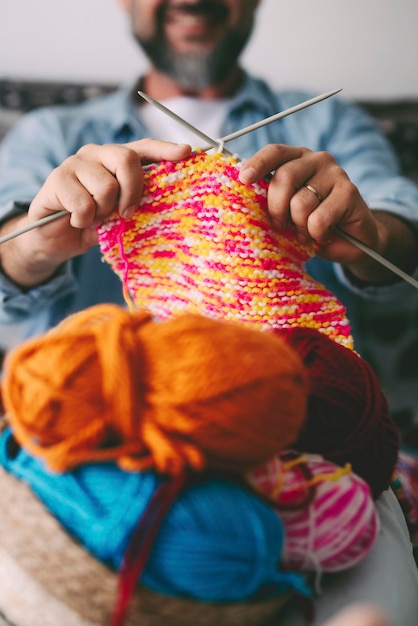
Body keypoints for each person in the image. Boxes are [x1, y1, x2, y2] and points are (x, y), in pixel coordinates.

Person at [0, 1, 417, 624]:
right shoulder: (53, 132)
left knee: (372, 538)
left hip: (301, 427)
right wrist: (32, 241)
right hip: (102, 429)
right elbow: (8, 239)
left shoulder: (330, 120)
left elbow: (398, 221)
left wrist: (372, 234)